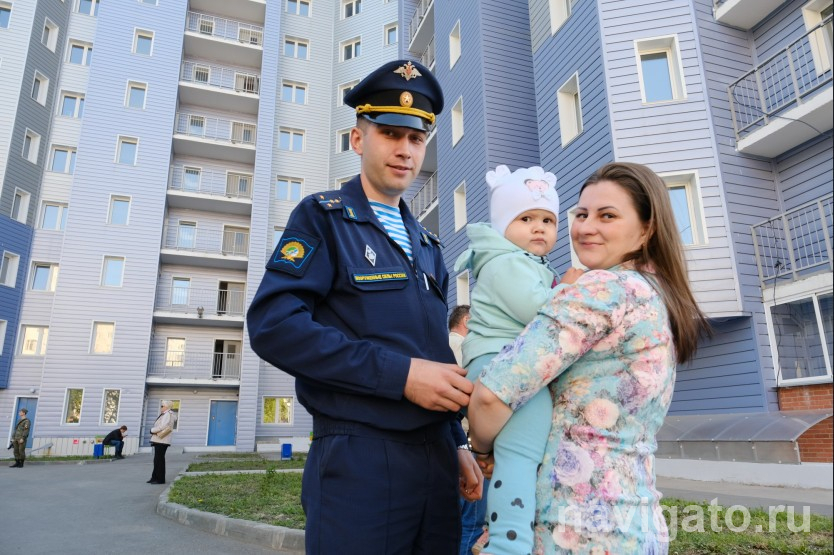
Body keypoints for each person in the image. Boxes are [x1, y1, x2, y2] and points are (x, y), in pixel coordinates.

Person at [247, 59, 482, 554]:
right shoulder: (323, 218)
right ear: (358, 139)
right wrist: (400, 376)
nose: (404, 149)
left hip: (436, 464)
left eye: (416, 138)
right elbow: (273, 325)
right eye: (390, 133)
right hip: (361, 459)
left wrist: (457, 443)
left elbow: (434, 354)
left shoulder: (428, 246)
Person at [468, 162, 711, 553]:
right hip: (636, 524)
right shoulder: (653, 294)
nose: (585, 227)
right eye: (581, 214)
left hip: (573, 527)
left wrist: (481, 449)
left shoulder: (600, 289)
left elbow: (490, 397)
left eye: (607, 216)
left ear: (647, 229)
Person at [455, 165, 581, 554]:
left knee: (516, 454)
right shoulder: (506, 262)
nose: (538, 227)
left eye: (547, 220)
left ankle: (506, 539)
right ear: (503, 224)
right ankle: (508, 545)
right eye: (526, 219)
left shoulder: (524, 262)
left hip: (504, 362)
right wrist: (568, 289)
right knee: (522, 456)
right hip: (501, 362)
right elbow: (537, 311)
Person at [148, 401, 176, 484]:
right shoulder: (165, 414)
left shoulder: (167, 414)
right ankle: (154, 477)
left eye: (162, 406)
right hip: (160, 439)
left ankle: (160, 479)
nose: (161, 407)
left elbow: (163, 426)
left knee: (159, 460)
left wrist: (152, 430)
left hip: (162, 440)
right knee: (157, 459)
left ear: (167, 407)